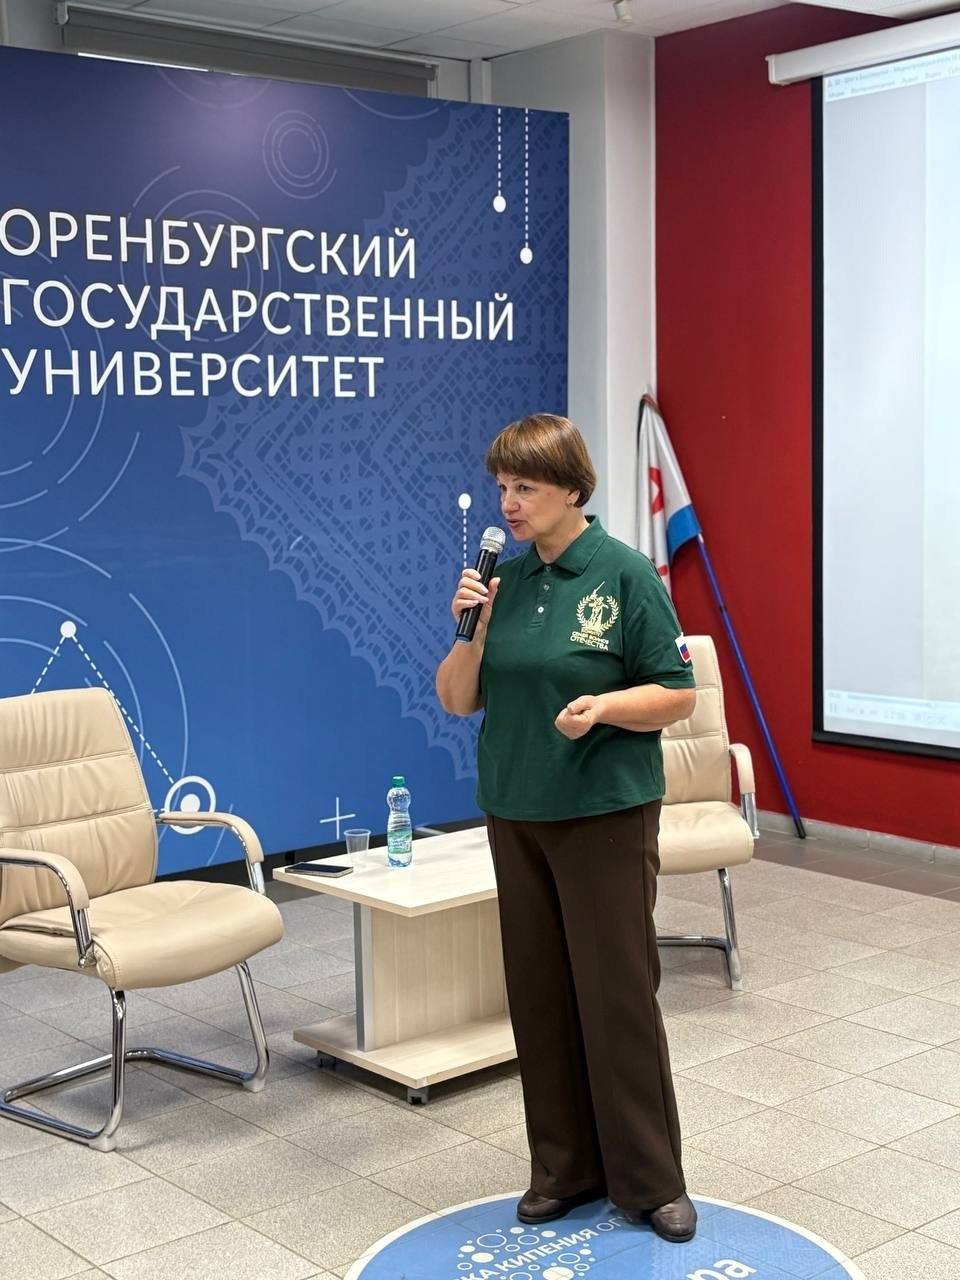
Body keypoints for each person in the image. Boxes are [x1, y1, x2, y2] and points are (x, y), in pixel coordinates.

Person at [436, 414, 698, 1243]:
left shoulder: (623, 574)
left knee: (616, 996)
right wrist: (471, 629)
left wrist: (606, 707)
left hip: (603, 813)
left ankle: (651, 1181)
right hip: (516, 809)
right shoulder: (504, 583)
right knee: (540, 996)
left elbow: (677, 693)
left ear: (572, 490)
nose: (509, 504)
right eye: (503, 487)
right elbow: (457, 698)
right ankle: (563, 1169)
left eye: (526, 487)